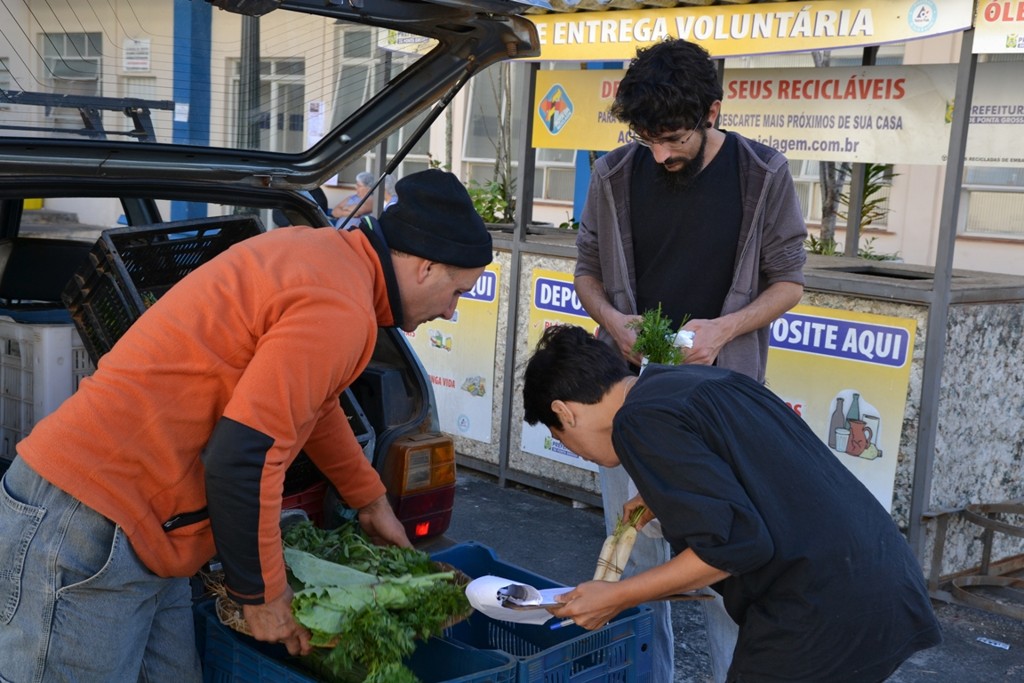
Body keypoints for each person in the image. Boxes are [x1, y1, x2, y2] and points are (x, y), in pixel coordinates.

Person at [0, 169, 493, 682]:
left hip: (147, 531)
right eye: (457, 292)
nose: (451, 311)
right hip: (86, 521)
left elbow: (314, 404)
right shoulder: (341, 306)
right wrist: (263, 595)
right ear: (425, 268)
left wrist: (369, 500)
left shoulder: (326, 260)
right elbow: (243, 458)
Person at [572, 38, 808, 682]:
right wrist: (612, 320)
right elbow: (586, 272)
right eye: (646, 139)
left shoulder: (763, 174)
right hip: (629, 400)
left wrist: (725, 328)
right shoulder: (612, 175)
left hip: (721, 406)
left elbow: (789, 282)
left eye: (673, 139)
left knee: (728, 565)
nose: (659, 155)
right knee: (634, 564)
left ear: (712, 112)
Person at [523, 324, 942, 683]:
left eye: (561, 437)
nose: (578, 453)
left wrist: (617, 596)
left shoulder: (636, 421)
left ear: (565, 412)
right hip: (883, 577)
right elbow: (753, 469)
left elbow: (735, 548)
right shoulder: (691, 380)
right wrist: (665, 490)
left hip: (818, 607)